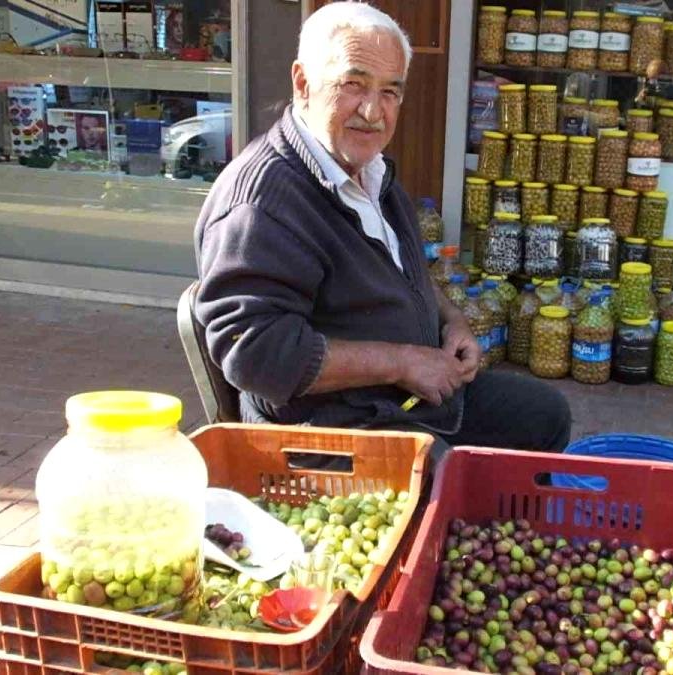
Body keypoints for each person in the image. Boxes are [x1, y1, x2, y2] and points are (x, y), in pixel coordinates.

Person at [192, 2, 571, 462]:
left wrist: (451, 323)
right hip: (327, 428)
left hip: (403, 400)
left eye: (390, 92)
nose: (373, 112)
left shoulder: (367, 171)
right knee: (443, 478)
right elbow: (254, 353)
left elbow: (404, 270)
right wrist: (405, 362)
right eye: (353, 84)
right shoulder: (263, 201)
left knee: (545, 415)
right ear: (302, 82)